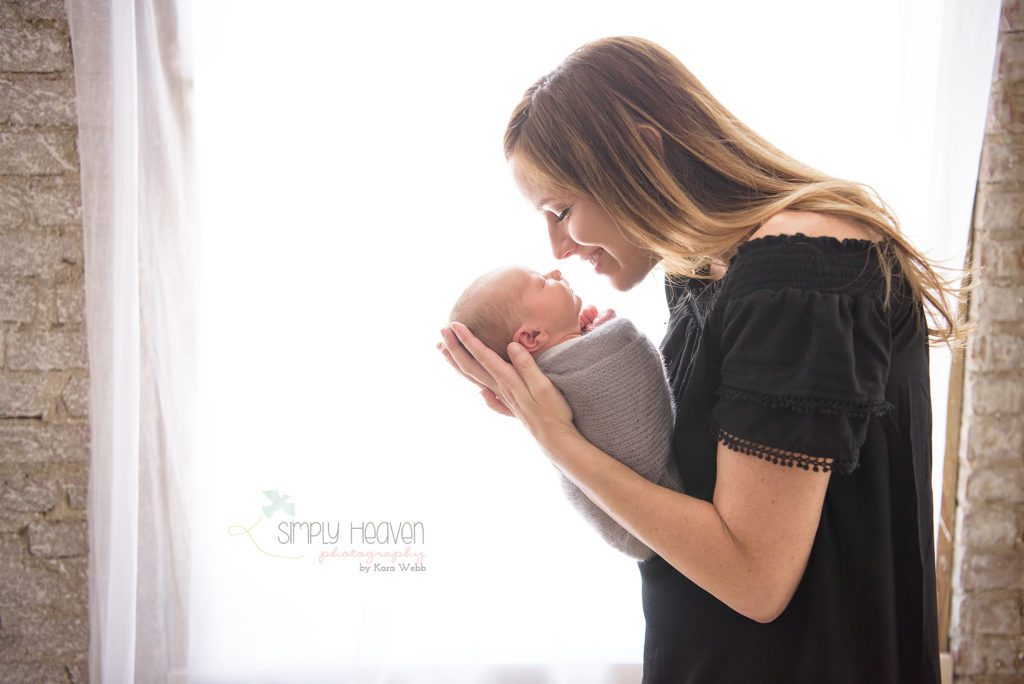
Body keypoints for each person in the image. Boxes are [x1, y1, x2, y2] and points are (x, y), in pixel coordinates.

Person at [438, 36, 963, 683]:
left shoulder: (797, 278)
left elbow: (754, 579)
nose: (560, 246)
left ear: (643, 153)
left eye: (561, 210)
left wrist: (558, 441)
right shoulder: (706, 274)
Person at [448, 265, 682, 561]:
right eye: (542, 282)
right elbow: (621, 360)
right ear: (531, 337)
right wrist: (603, 333)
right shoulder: (565, 375)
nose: (556, 273)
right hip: (659, 516)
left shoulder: (544, 387)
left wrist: (583, 335)